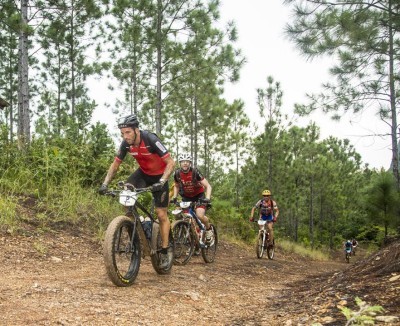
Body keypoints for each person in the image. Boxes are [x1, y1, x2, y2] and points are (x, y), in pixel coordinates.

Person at [98, 114, 175, 269]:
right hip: (143, 174)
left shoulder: (150, 139)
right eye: (122, 134)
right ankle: (136, 226)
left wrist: (161, 181)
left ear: (136, 130)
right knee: (126, 192)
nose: (125, 136)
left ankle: (166, 250)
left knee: (161, 214)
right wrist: (105, 184)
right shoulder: (126, 144)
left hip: (160, 176)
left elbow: (171, 162)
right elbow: (115, 164)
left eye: (128, 132)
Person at [170, 153, 214, 246]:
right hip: (186, 197)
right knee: (179, 214)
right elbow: (177, 186)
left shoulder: (195, 172)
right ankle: (193, 236)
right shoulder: (177, 173)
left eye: (187, 162)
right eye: (183, 162)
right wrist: (174, 197)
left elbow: (208, 186)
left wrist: (207, 198)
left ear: (190, 163)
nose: (185, 163)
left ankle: (209, 229)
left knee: (200, 215)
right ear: (180, 163)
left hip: (199, 196)